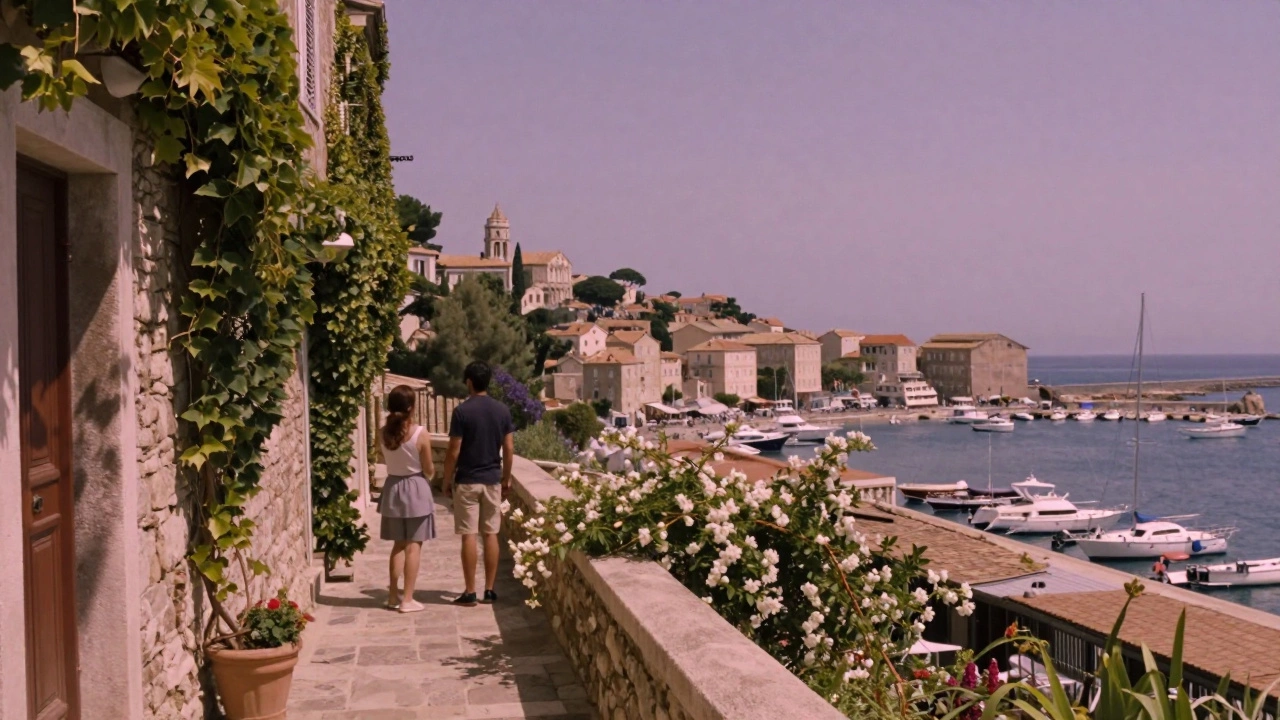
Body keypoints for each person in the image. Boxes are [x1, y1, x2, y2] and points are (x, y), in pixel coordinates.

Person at [443, 361, 514, 607]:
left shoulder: (461, 411)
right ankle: (490, 589)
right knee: (491, 533)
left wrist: (446, 480)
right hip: (493, 479)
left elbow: (453, 450)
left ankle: (470, 591)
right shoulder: (502, 410)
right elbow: (509, 447)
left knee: (469, 535)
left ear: (470, 382)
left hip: (467, 480)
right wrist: (507, 476)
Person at [377, 385, 437, 613]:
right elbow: (429, 467)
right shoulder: (420, 433)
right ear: (411, 407)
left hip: (392, 488)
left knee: (398, 545)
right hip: (415, 488)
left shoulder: (383, 433)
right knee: (414, 546)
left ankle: (393, 596)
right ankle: (407, 599)